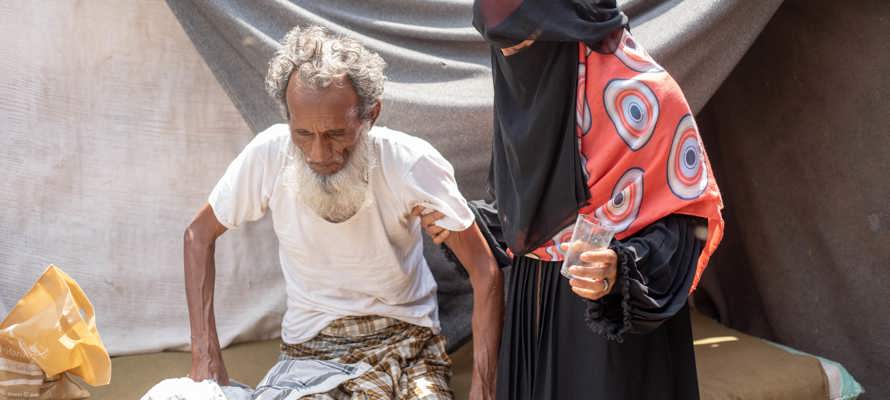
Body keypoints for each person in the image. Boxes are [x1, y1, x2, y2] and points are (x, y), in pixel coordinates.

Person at [422, 1, 725, 398]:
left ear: (564, 29)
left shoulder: (644, 98)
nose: (510, 56)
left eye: (521, 42)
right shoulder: (535, 94)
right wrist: (462, 220)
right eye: (500, 46)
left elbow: (687, 226)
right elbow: (526, 213)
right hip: (533, 312)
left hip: (611, 332)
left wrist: (621, 267)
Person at [183, 26, 503, 399]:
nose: (319, 154)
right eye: (303, 134)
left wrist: (485, 384)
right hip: (311, 347)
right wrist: (205, 353)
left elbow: (485, 271)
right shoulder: (269, 154)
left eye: (336, 134)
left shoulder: (410, 163)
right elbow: (197, 235)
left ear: (371, 115)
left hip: (408, 341)